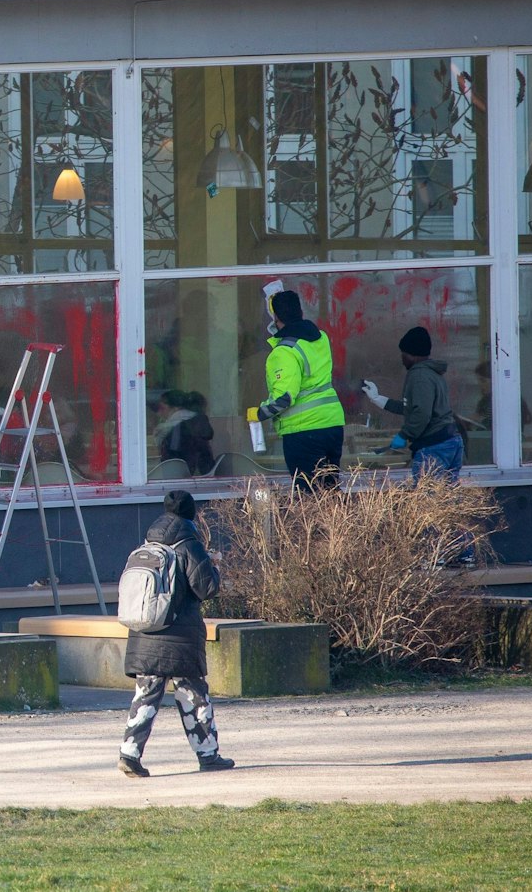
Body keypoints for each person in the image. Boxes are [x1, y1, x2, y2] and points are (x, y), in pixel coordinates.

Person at [119, 490, 233, 777]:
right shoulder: (189, 545)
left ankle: (130, 754)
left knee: (145, 697)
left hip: (145, 634)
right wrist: (214, 567)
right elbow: (206, 588)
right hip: (179, 638)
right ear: (191, 514)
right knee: (194, 696)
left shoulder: (147, 544)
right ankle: (208, 754)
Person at [256, 290, 345, 489]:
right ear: (301, 312)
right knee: (330, 491)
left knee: (309, 495)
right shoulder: (320, 338)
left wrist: (259, 413)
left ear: (276, 318)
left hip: (304, 430)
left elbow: (284, 398)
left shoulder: (284, 352)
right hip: (332, 425)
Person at [362, 326, 461, 481]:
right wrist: (379, 399)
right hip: (448, 442)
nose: (402, 359)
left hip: (434, 446)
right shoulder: (433, 374)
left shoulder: (419, 376)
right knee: (444, 499)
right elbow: (413, 408)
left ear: (413, 355)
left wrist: (404, 434)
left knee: (428, 499)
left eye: (404, 354)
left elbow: (421, 413)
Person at [152, 390, 216, 475]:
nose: (159, 413)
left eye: (161, 408)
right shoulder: (197, 422)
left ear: (176, 408)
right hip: (205, 475)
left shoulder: (174, 428)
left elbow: (172, 459)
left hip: (180, 477)